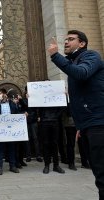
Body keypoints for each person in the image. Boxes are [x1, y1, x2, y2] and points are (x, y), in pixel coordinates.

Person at [48, 30, 104, 199]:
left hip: (99, 124)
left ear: (82, 44)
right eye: (65, 39)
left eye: (71, 39)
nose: (66, 42)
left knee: (102, 174)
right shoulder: (74, 62)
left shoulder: (91, 56)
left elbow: (81, 73)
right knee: (99, 173)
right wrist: (81, 125)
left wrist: (55, 56)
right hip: (89, 125)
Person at [0, 88, 21, 175]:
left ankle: (12, 166)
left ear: (5, 94)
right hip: (0, 130)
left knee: (11, 148)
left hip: (11, 130)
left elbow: (18, 112)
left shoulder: (12, 103)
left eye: (0, 93)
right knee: (0, 149)